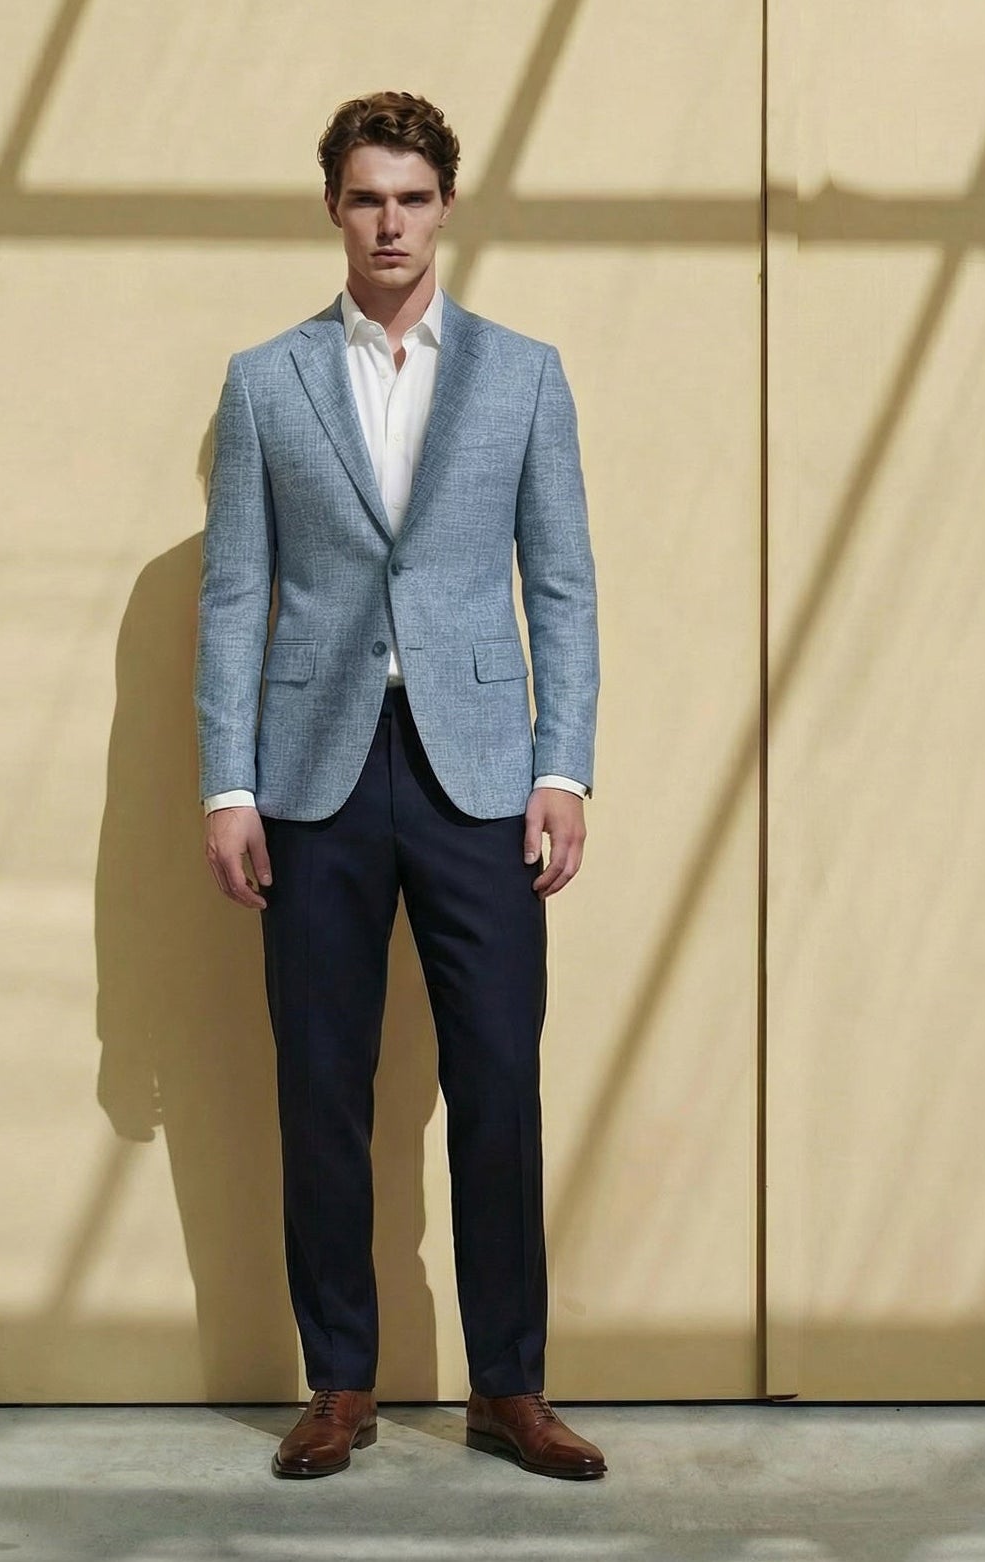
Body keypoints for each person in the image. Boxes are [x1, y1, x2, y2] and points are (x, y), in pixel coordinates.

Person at [193, 89, 605, 1481]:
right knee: (321, 1083)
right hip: (312, 774)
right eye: (368, 197)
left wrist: (563, 765)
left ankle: (510, 1386)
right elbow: (234, 593)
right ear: (334, 207)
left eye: (413, 197)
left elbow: (561, 583)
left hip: (480, 771)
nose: (390, 222)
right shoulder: (265, 381)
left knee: (499, 1075)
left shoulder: (524, 375)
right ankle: (342, 1382)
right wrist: (224, 785)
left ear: (446, 206)